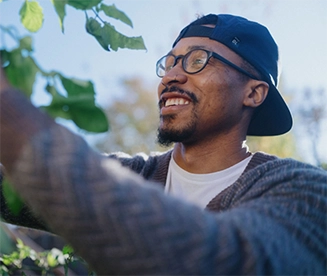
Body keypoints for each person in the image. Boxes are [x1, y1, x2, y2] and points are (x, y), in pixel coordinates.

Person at [0, 13, 326, 276]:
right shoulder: (134, 174)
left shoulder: (304, 190)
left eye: (198, 60)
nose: (172, 76)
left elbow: (220, 262)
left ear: (253, 93)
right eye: (169, 63)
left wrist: (11, 114)